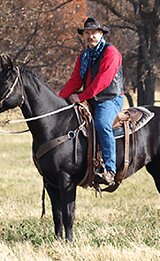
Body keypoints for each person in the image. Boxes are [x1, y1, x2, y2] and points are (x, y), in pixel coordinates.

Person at [58, 17, 125, 186]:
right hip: (90, 98)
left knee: (102, 124)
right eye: (87, 33)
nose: (90, 36)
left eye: (94, 32)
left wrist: (80, 97)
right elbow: (75, 81)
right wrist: (59, 100)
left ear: (101, 34)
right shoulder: (84, 56)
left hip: (109, 98)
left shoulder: (111, 53)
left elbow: (102, 82)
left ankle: (109, 170)